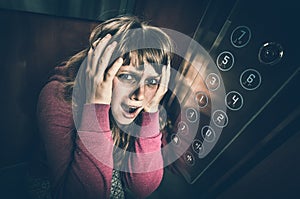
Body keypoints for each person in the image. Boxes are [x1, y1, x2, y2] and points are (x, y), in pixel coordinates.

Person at [36, 15, 173, 199]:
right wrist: (96, 106)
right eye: (127, 76)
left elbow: (143, 188)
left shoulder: (146, 99)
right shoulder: (58, 97)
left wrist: (152, 110)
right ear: (99, 71)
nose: (139, 95)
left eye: (151, 81)